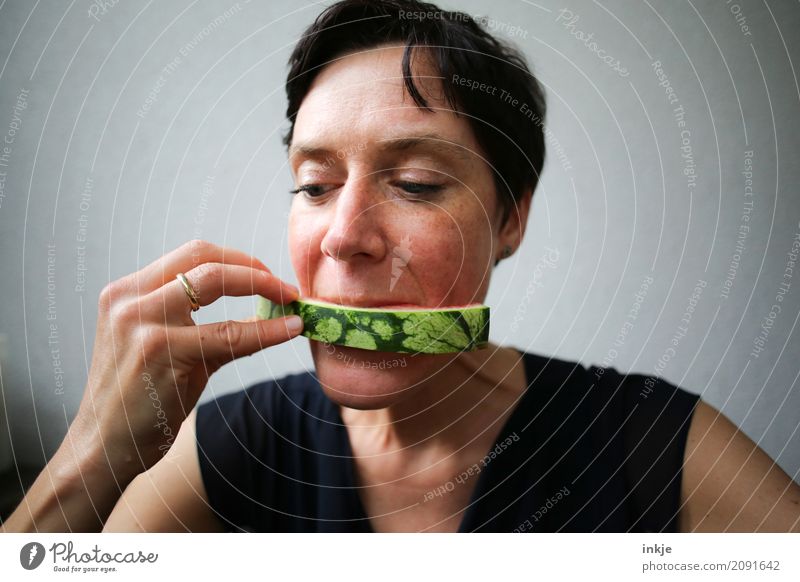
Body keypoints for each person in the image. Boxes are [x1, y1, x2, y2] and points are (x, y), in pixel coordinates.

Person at [4, 0, 799, 533]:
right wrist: (91, 456)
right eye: (314, 185)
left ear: (510, 219)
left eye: (415, 184)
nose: (344, 236)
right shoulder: (223, 449)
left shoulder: (649, 443)